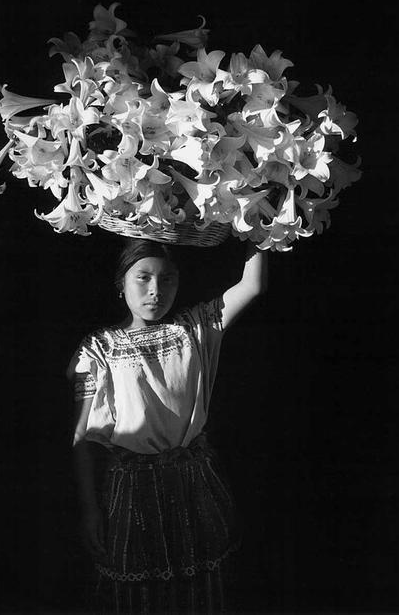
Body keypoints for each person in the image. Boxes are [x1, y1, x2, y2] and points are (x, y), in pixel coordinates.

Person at [67, 236, 268, 614]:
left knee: (200, 592)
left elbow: (252, 285)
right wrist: (90, 509)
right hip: (132, 490)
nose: (156, 290)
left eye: (167, 279)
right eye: (143, 278)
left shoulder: (194, 329)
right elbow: (82, 436)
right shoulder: (99, 348)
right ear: (120, 284)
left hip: (195, 481)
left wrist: (261, 224)